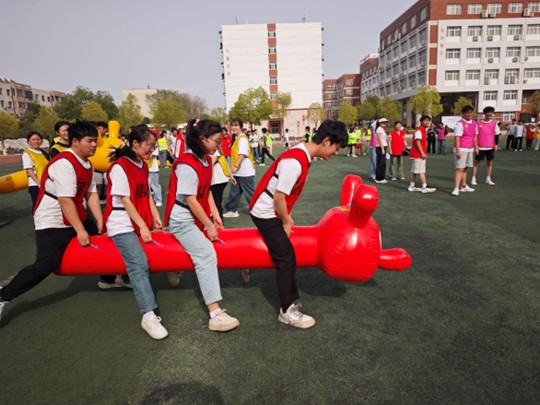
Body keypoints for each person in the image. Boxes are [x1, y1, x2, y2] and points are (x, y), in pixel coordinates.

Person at [249, 119, 348, 328]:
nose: (336, 152)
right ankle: (286, 310)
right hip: (264, 211)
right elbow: (278, 197)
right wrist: (285, 221)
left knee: (286, 252)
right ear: (326, 141)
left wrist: (287, 216)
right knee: (286, 257)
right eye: (336, 147)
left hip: (272, 209)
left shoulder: (303, 156)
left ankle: (287, 298)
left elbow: (285, 195)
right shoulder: (295, 161)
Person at [0, 121, 102, 322]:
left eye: (95, 141)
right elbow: (64, 200)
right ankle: (3, 296)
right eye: (90, 141)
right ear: (75, 141)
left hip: (75, 212)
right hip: (52, 218)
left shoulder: (88, 164)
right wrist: (80, 230)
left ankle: (109, 278)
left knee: (103, 238)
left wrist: (99, 220)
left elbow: (91, 194)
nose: (94, 145)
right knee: (45, 265)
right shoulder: (64, 163)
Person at [164, 119, 240, 332]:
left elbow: (205, 192)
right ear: (202, 139)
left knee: (203, 249)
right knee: (206, 254)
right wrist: (208, 225)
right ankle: (215, 314)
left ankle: (172, 268)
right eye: (216, 140)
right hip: (182, 220)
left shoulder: (205, 159)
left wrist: (215, 215)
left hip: (193, 216)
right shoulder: (187, 163)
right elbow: (191, 199)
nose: (219, 144)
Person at [102, 125, 168, 339]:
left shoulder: (142, 164)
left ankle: (120, 278)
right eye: (149, 145)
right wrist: (142, 226)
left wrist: (155, 216)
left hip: (136, 218)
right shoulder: (120, 166)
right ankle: (148, 315)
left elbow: (146, 193)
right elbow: (125, 200)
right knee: (139, 264)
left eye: (153, 146)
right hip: (121, 221)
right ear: (135, 144)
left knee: (151, 254)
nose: (151, 149)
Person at [222, 118, 256, 218]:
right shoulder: (237, 138)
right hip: (239, 171)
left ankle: (258, 210)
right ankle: (232, 210)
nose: (234, 127)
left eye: (236, 125)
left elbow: (242, 154)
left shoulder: (242, 139)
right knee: (234, 192)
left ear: (241, 126)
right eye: (232, 125)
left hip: (245, 171)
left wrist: (235, 166)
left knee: (250, 193)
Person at [451, 106, 477, 197]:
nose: (468, 114)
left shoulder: (474, 123)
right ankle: (456, 188)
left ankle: (464, 186)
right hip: (461, 148)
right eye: (466, 112)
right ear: (463, 114)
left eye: (470, 112)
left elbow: (475, 136)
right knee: (460, 169)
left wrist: (476, 147)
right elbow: (457, 138)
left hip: (470, 148)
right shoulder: (460, 124)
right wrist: (458, 151)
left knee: (465, 168)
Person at [471, 106, 499, 186]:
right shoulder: (478, 123)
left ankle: (488, 178)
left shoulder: (494, 123)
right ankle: (473, 178)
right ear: (485, 114)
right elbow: (475, 135)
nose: (490, 115)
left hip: (490, 147)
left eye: (491, 114)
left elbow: (496, 134)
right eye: (488, 114)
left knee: (489, 162)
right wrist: (476, 146)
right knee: (476, 162)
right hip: (480, 147)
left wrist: (496, 144)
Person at [408, 115, 436, 193]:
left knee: (414, 171)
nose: (427, 122)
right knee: (421, 171)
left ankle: (412, 186)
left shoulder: (422, 130)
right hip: (418, 154)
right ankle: (424, 186)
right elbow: (417, 142)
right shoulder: (419, 131)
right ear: (421, 121)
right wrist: (422, 153)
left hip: (416, 154)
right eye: (425, 120)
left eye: (428, 121)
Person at [22, 131, 49, 209]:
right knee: (38, 206)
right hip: (36, 185)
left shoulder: (44, 153)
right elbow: (29, 170)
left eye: (38, 139)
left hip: (47, 183)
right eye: (33, 139)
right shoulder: (27, 153)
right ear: (29, 142)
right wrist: (39, 183)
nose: (36, 141)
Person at [94, 121, 108, 203]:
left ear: (105, 130)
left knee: (108, 186)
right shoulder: (93, 140)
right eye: (96, 128)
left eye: (99, 128)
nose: (97, 130)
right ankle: (96, 201)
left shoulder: (109, 140)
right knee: (96, 186)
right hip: (96, 169)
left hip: (108, 169)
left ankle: (108, 200)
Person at [374, 118, 389, 184]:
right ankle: (379, 178)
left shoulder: (381, 129)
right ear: (379, 123)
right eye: (382, 122)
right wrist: (382, 148)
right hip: (380, 147)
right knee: (381, 163)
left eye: (385, 122)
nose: (384, 123)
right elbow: (380, 139)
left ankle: (381, 177)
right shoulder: (379, 129)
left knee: (382, 163)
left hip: (382, 147)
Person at [148, 138, 163, 207]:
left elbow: (153, 153)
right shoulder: (142, 142)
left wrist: (145, 157)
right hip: (144, 167)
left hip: (152, 168)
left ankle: (158, 200)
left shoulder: (154, 144)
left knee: (155, 184)